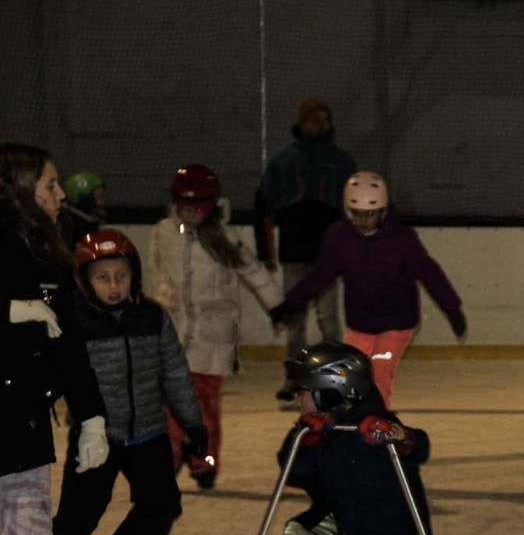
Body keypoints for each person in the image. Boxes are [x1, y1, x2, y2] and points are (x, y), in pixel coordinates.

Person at [277, 343, 505, 535]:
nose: (297, 396)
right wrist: (305, 441)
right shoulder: (313, 430)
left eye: (304, 390)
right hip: (343, 521)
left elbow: (419, 445)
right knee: (302, 533)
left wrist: (399, 437)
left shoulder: (376, 423)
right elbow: (292, 473)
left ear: (332, 390)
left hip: (388, 532)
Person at [1, 143, 109, 535]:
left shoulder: (49, 257)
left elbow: (69, 346)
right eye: (48, 184)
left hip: (21, 428)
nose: (60, 194)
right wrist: (8, 311)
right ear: (17, 189)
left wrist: (91, 415)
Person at [52, 229, 203, 535]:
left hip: (148, 434)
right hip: (97, 436)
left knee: (163, 505)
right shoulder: (76, 323)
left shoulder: (152, 317)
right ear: (85, 281)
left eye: (121, 275)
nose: (114, 286)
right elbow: (57, 373)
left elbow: (174, 373)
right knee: (75, 522)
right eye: (103, 277)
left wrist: (193, 423)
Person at [270, 172, 466, 408]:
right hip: (361, 323)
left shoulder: (402, 239)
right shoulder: (339, 237)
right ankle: (354, 427)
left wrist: (452, 308)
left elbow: (429, 272)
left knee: (380, 372)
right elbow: (320, 276)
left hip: (398, 323)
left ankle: (377, 426)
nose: (363, 221)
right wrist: (292, 303)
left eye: (370, 214)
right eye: (357, 214)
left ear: (384, 210)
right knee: (350, 376)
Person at [149, 164, 283, 490]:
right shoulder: (164, 233)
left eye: (199, 207)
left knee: (204, 403)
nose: (191, 213)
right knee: (169, 402)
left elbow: (253, 272)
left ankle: (204, 461)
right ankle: (172, 456)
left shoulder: (225, 237)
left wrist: (279, 306)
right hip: (175, 330)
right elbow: (158, 275)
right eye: (185, 206)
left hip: (214, 334)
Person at [254, 97, 357, 399]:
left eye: (325, 119)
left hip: (329, 255)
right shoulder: (283, 161)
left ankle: (337, 377)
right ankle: (295, 378)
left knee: (329, 320)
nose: (320, 125)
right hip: (295, 252)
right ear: (301, 123)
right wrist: (266, 252)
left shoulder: (342, 161)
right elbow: (264, 207)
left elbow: (354, 209)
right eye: (314, 119)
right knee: (295, 319)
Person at [59, 170, 106, 247]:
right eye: (99, 197)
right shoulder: (71, 225)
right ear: (84, 199)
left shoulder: (86, 220)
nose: (103, 203)